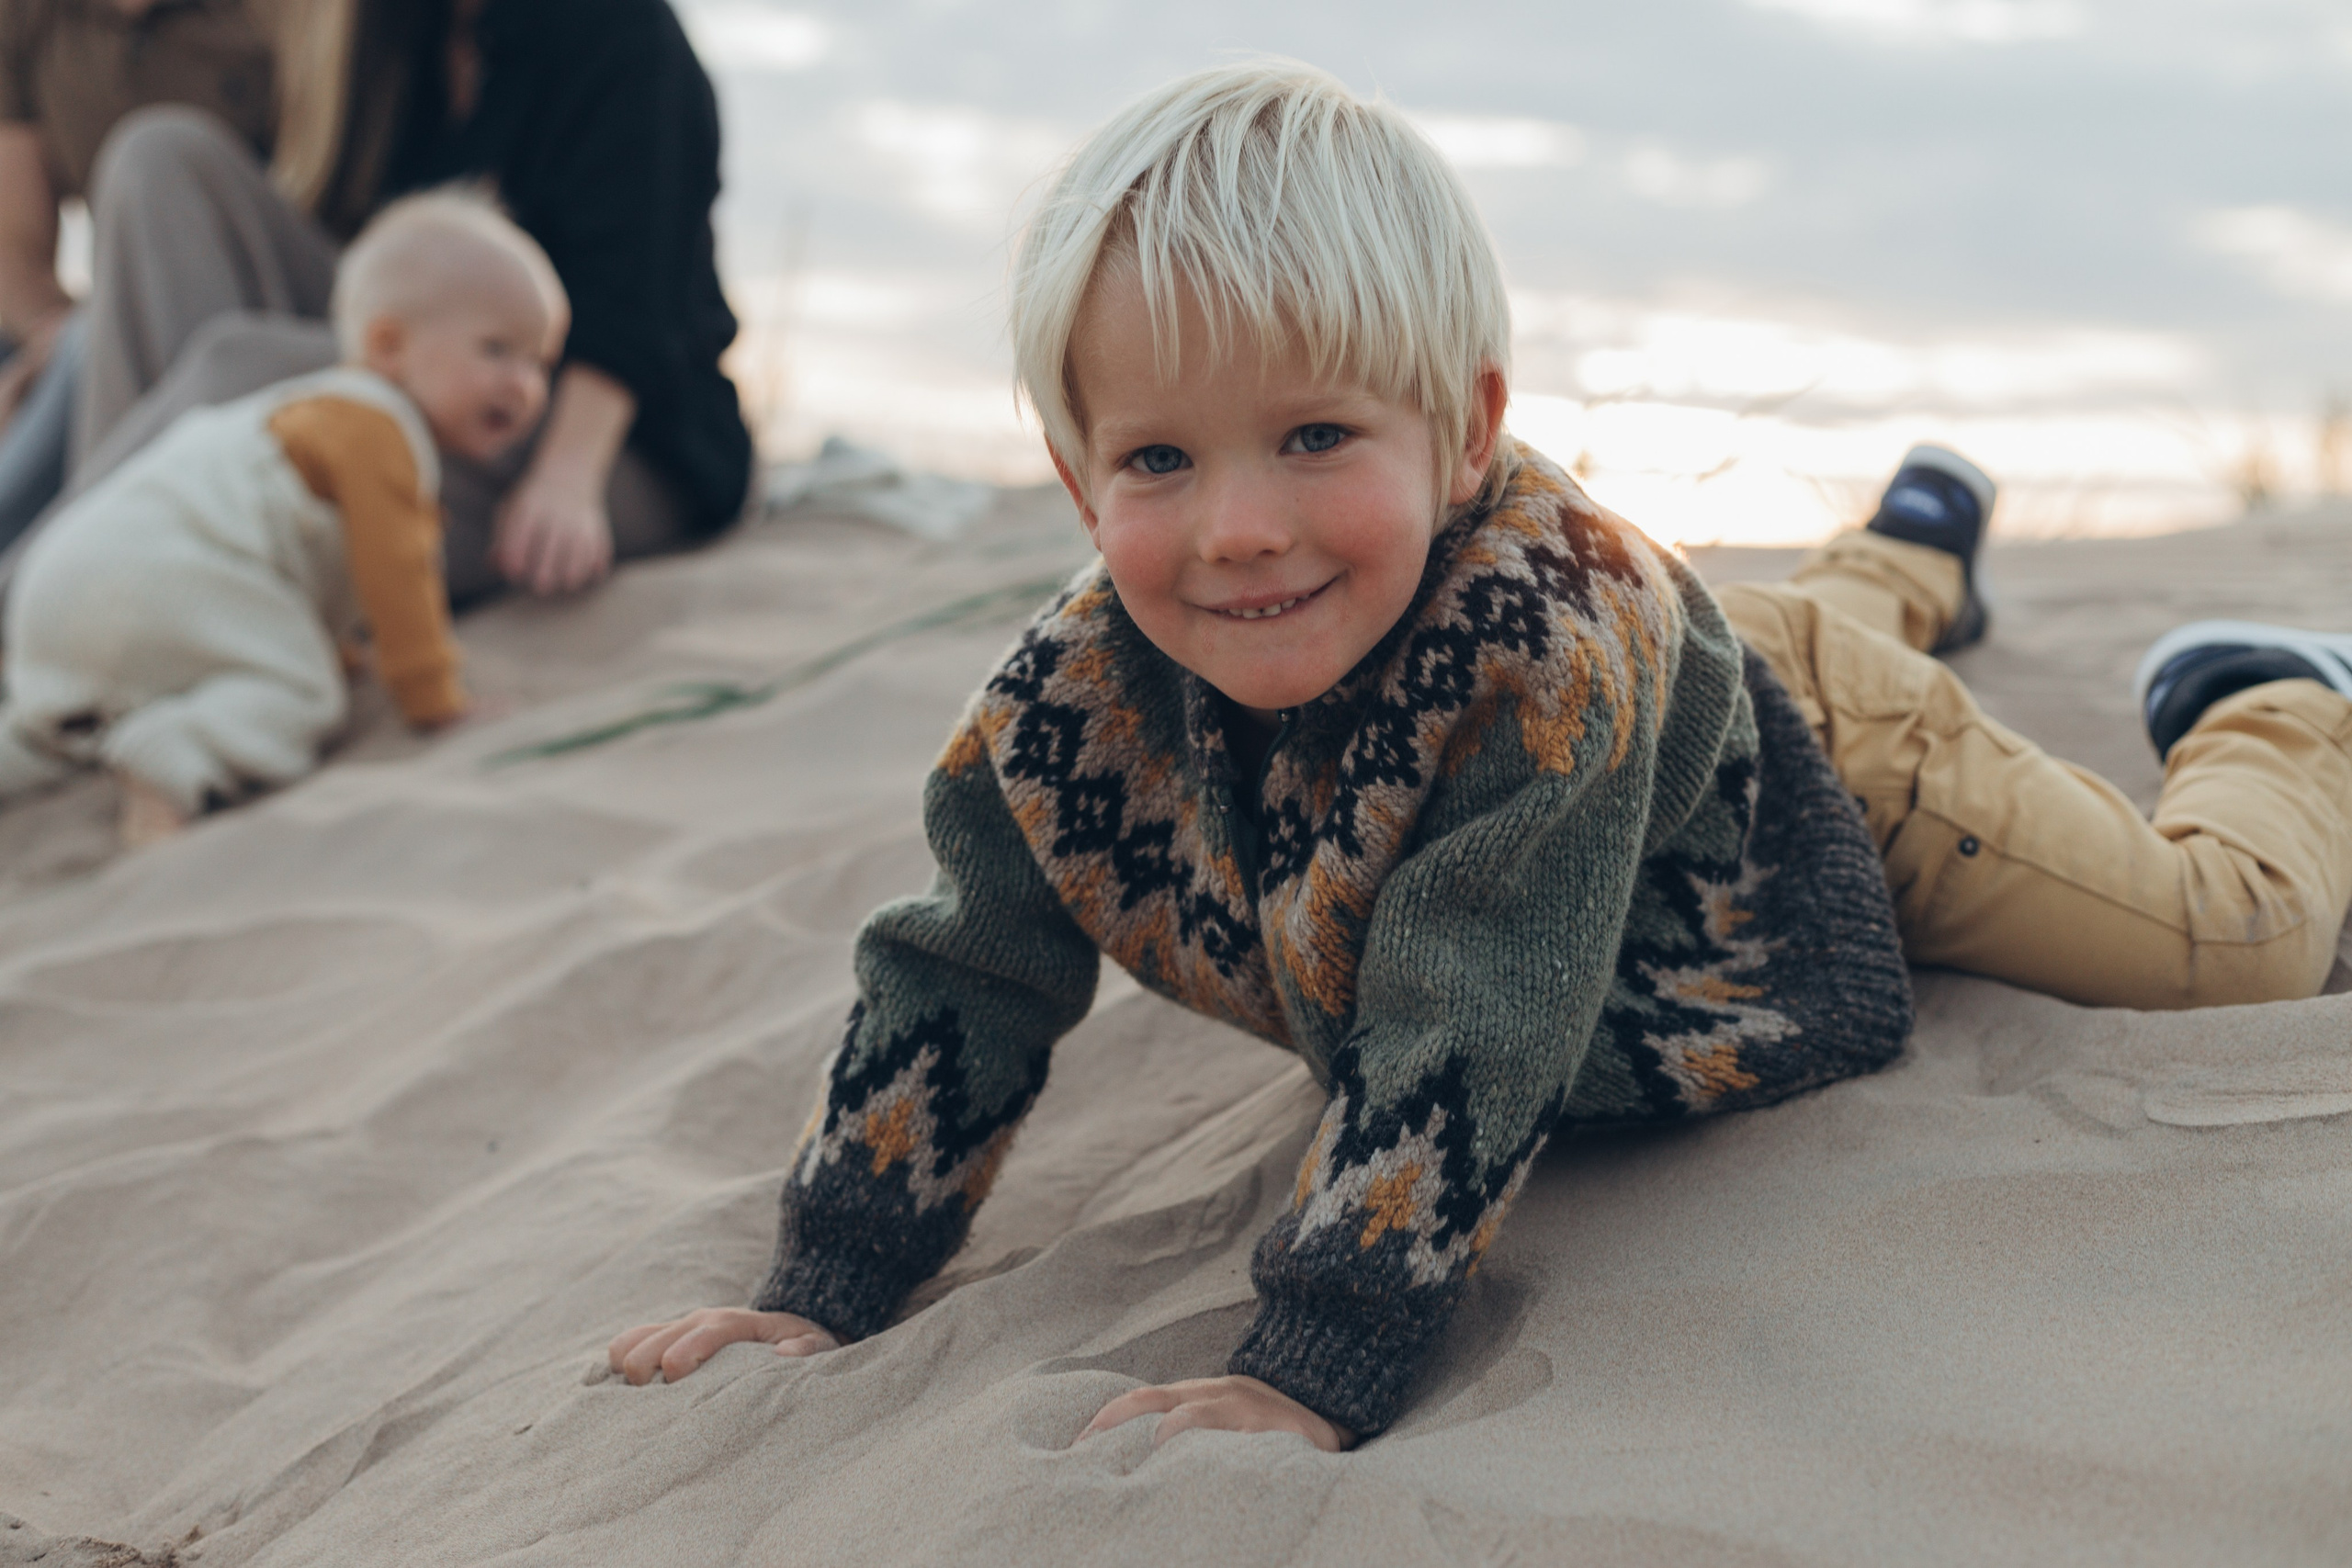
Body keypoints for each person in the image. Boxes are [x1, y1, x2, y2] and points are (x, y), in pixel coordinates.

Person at [605, 63, 2352, 1449]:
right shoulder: (1063, 707)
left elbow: (1467, 1005)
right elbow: (963, 966)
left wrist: (1312, 1362)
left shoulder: (1543, 654)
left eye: (1315, 434)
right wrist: (827, 1284)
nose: (1238, 528)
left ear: (1467, 434)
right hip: (1698, 657)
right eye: (1157, 460)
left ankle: (2272, 698)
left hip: (1831, 769)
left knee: (2234, 938)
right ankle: (1906, 546)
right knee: (1773, 623)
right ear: (1079, 484)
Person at [23, 0, 749, 609]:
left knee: (243, 366)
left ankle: (43, 598)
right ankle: (120, 588)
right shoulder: (404, 30)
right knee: (158, 158)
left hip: (593, 434)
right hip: (428, 369)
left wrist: (566, 479)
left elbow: (637, 303)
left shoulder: (617, 28)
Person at [0, 188, 561, 844]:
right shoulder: (382, 432)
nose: (525, 385)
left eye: (540, 362)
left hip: (63, 585)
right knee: (300, 691)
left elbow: (313, 565)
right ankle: (171, 757)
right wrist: (434, 696)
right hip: (156, 578)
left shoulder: (308, 409)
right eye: (497, 350)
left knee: (55, 723)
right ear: (388, 344)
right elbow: (395, 572)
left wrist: (343, 645)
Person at [0, 0, 278, 552]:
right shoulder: (28, 18)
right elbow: (15, 242)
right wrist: (47, 329)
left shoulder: (264, 22)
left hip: (251, 292)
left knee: (153, 158)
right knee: (80, 346)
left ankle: (67, 563)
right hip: (115, 308)